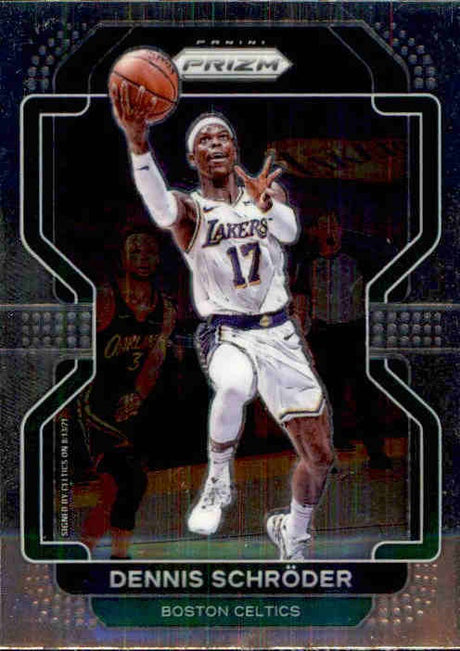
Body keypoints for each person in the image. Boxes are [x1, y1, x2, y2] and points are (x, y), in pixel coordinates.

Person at [110, 82, 333, 560]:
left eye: (222, 137)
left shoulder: (264, 193)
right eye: (204, 140)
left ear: (234, 149)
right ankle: (217, 481)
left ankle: (293, 532)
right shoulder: (192, 210)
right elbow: (159, 207)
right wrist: (138, 144)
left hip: (280, 333)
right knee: (233, 384)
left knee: (319, 457)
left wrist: (268, 203)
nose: (215, 144)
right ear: (192, 157)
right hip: (226, 330)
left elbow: (291, 232)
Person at [78, 226, 176, 559]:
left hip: (133, 404)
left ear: (158, 259)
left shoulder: (166, 309)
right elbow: (74, 353)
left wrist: (137, 396)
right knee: (125, 481)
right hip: (96, 401)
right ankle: (104, 559)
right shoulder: (105, 299)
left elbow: (154, 361)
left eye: (149, 252)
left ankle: (102, 559)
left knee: (123, 490)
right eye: (135, 252)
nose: (143, 258)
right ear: (123, 258)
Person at [292, 212, 397, 469]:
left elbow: (376, 291)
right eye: (324, 226)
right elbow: (302, 299)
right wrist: (300, 335)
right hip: (324, 334)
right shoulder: (308, 263)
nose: (329, 231)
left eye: (333, 226)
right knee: (329, 396)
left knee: (365, 394)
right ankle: (329, 454)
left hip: (354, 331)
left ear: (340, 230)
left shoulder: (357, 258)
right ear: (316, 231)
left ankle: (376, 452)